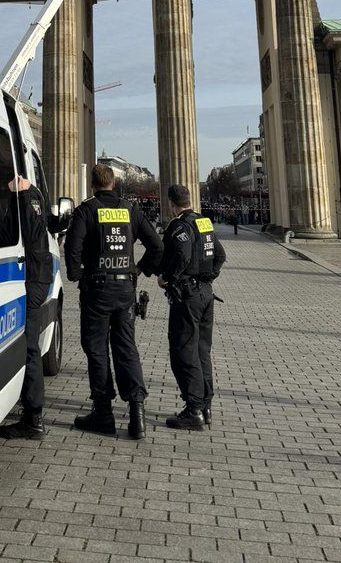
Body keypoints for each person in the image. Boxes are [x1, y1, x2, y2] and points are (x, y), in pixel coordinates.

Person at [65, 163, 163, 439]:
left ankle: (103, 413)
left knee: (96, 348)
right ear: (114, 183)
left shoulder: (87, 209)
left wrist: (76, 275)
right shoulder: (130, 209)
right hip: (125, 289)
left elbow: (73, 247)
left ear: (93, 184)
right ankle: (137, 415)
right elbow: (157, 245)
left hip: (96, 288)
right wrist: (140, 269)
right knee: (126, 347)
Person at [158, 183, 226, 432]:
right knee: (202, 351)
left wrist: (168, 278)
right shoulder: (204, 222)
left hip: (187, 297)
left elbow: (183, 256)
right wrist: (208, 278)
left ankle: (193, 409)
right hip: (206, 295)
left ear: (171, 203)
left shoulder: (179, 226)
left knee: (183, 351)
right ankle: (206, 406)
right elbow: (220, 255)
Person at [0, 174, 53, 439]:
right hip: (35, 277)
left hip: (32, 278)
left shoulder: (31, 198)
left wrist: (22, 195)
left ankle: (34, 419)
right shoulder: (36, 196)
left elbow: (30, 233)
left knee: (30, 348)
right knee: (28, 346)